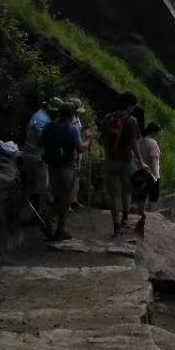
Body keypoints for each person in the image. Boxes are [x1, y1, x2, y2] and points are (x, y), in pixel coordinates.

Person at [40, 103, 90, 241]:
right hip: (67, 167)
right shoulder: (71, 129)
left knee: (56, 195)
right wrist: (88, 140)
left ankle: (48, 221)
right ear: (71, 116)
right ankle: (58, 229)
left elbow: (41, 142)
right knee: (65, 199)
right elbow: (80, 148)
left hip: (51, 166)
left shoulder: (49, 126)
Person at [100, 92, 143, 237]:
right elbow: (134, 143)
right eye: (134, 105)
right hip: (127, 161)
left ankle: (116, 227)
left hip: (111, 160)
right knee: (127, 190)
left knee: (115, 195)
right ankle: (125, 218)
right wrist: (141, 161)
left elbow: (103, 139)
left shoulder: (107, 118)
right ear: (130, 105)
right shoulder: (131, 120)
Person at [22, 96, 54, 213]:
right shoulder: (43, 120)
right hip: (37, 156)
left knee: (31, 186)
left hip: (30, 153)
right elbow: (40, 139)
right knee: (40, 188)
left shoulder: (39, 115)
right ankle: (35, 214)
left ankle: (30, 213)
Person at [131, 122, 162, 236]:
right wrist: (156, 177)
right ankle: (149, 225)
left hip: (137, 172)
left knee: (140, 199)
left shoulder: (139, 141)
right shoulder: (153, 143)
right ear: (154, 132)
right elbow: (154, 161)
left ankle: (141, 221)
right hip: (150, 174)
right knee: (153, 199)